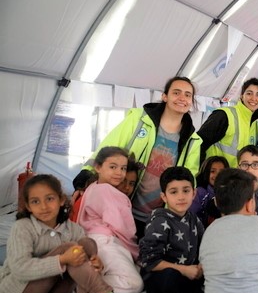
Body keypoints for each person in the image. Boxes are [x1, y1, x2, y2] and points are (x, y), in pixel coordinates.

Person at [0, 174, 154, 293]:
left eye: (49, 199)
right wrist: (62, 259)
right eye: (35, 201)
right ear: (28, 206)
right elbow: (20, 269)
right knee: (71, 248)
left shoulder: (72, 228)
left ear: (61, 200)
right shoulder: (22, 228)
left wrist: (95, 262)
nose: (44, 206)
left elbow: (83, 256)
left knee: (87, 244)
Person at [75, 76, 201, 240]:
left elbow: (189, 179)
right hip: (120, 206)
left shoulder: (193, 141)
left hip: (157, 217)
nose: (182, 98)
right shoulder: (139, 120)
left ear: (191, 101)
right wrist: (85, 175)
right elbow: (110, 145)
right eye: (176, 93)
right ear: (165, 96)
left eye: (187, 95)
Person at [77, 147, 144, 293]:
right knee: (134, 283)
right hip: (105, 241)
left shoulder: (93, 187)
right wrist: (136, 251)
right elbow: (123, 229)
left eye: (123, 168)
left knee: (133, 269)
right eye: (113, 167)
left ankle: (86, 280)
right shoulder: (108, 191)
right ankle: (81, 285)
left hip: (94, 239)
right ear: (98, 167)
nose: (119, 173)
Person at [139, 167, 205, 293]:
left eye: (186, 191)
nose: (181, 197)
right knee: (170, 277)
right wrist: (184, 270)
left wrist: (200, 267)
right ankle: (196, 292)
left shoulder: (194, 220)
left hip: (189, 272)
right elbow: (150, 262)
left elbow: (204, 248)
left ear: (193, 193)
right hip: (161, 274)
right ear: (164, 197)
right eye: (174, 192)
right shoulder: (159, 220)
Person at [198, 77, 258, 168]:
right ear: (241, 96)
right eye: (249, 93)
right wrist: (202, 172)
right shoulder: (224, 115)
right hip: (216, 175)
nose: (253, 98)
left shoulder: (256, 125)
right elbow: (198, 145)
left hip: (238, 176)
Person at [190, 156, 229, 228]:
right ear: (206, 172)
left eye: (221, 172)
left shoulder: (230, 192)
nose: (217, 175)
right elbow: (191, 216)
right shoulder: (200, 192)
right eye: (213, 171)